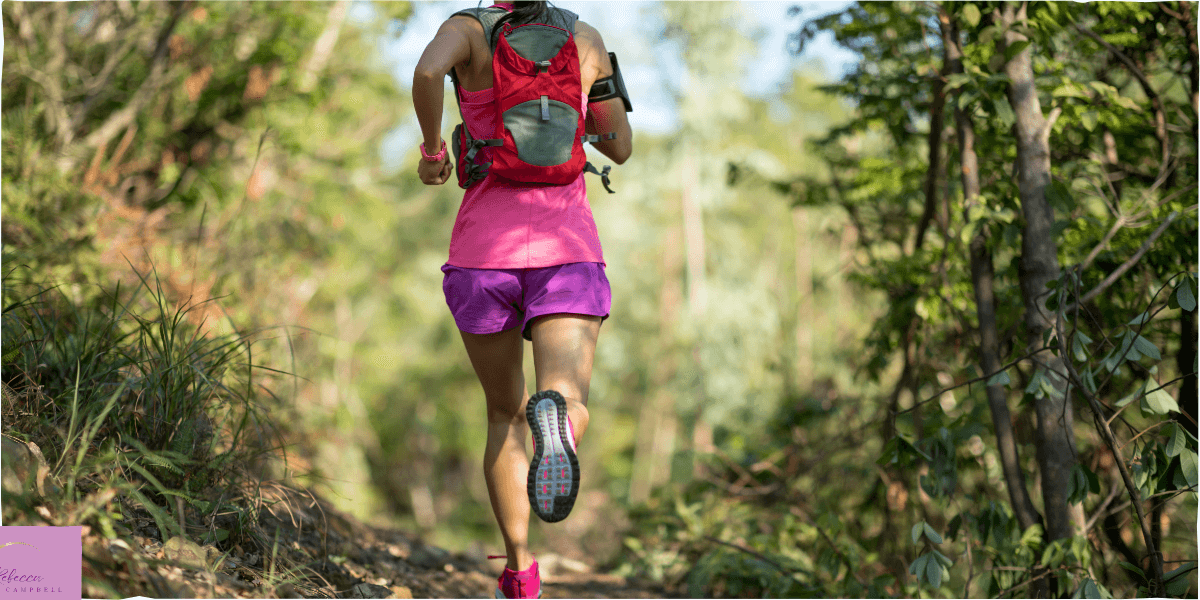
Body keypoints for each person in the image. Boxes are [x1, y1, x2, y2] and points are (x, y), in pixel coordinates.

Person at [412, 2, 631, 598]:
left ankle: (520, 571)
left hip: (484, 253)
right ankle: (557, 416)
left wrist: (434, 152)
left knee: (503, 415)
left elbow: (429, 73)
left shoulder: (467, 29)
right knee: (567, 396)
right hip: (567, 247)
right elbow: (619, 146)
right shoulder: (586, 38)